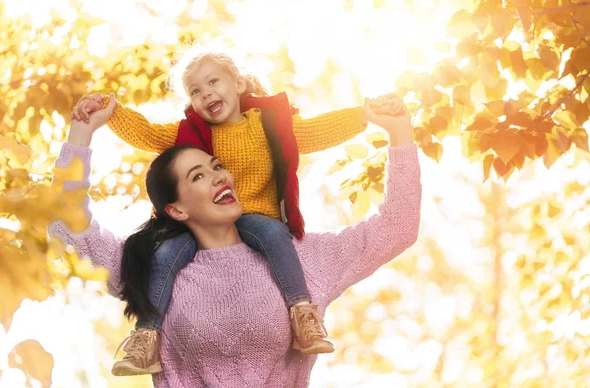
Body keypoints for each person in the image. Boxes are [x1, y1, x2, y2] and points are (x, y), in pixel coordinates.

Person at [49, 91, 421, 387]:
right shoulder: (153, 269)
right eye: (197, 176)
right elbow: (66, 226)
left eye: (217, 167)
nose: (218, 177)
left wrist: (399, 132)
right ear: (176, 209)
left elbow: (398, 226)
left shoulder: (299, 259)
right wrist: (82, 132)